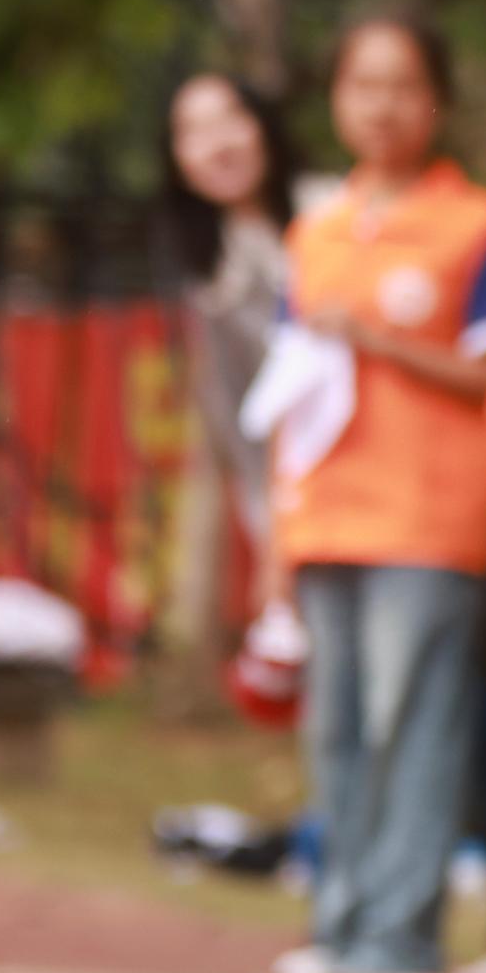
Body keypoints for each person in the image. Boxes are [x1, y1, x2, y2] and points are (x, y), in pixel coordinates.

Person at [272, 15, 486, 973]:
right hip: (327, 515)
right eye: (361, 84)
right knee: (335, 728)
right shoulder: (317, 230)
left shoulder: (475, 224)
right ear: (336, 100)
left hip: (427, 519)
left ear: (437, 102)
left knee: (411, 723)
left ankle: (398, 934)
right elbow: (290, 394)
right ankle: (337, 921)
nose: (380, 105)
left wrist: (377, 342)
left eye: (401, 84)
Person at [165, 72, 303, 621]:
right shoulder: (211, 285)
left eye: (229, 120)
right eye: (193, 131)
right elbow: (242, 428)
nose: (217, 143)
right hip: (304, 517)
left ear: (263, 124)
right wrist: (273, 541)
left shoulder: (335, 214)